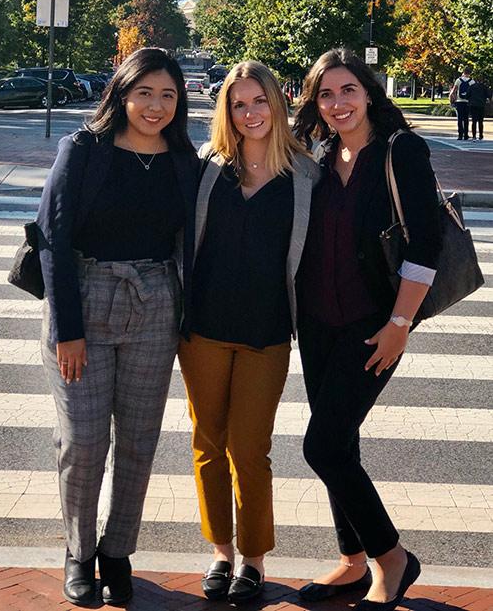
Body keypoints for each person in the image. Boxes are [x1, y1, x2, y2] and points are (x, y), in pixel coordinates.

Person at [37, 48, 198, 606]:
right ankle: (79, 552)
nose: (156, 106)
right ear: (122, 93)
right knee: (83, 441)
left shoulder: (183, 161)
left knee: (137, 441)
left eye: (168, 95)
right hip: (85, 298)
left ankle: (118, 550)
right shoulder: (83, 151)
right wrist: (67, 330)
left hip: (155, 304)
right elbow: (52, 240)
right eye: (145, 93)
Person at [293, 49, 442, 611]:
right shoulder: (321, 153)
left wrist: (400, 323)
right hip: (316, 324)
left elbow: (424, 244)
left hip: (372, 325)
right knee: (342, 442)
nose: (337, 103)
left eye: (348, 90)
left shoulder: (400, 151)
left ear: (370, 92)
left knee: (323, 446)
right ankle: (352, 560)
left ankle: (392, 557)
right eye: (326, 94)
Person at [178, 61, 319, 604]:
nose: (250, 113)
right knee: (208, 444)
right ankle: (221, 552)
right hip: (204, 330)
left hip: (267, 333)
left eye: (259, 101)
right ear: (227, 112)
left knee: (249, 447)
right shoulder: (209, 168)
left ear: (276, 104)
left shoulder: (306, 175)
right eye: (239, 104)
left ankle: (254, 559)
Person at [449, 66, 474, 140]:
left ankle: (460, 135)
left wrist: (452, 101)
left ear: (463, 72)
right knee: (466, 119)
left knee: (459, 119)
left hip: (459, 102)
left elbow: (453, 92)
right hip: (467, 102)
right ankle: (466, 134)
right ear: (470, 73)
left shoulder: (458, 80)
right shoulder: (472, 82)